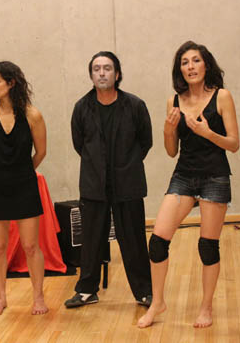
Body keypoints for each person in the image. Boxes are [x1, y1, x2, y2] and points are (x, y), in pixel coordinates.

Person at [138, 41, 239, 328]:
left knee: (207, 246)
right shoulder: (174, 100)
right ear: (179, 69)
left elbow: (234, 144)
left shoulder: (222, 96)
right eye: (185, 62)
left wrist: (208, 133)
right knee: (157, 241)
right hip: (183, 175)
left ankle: (206, 307)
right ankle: (157, 302)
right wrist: (168, 130)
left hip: (214, 176)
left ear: (206, 64)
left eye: (196, 60)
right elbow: (172, 151)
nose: (191, 66)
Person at [64, 51, 153, 310]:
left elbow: (145, 142)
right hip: (94, 184)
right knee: (91, 240)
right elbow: (79, 144)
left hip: (128, 183)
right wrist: (98, 165)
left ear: (117, 73)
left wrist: (126, 164)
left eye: (107, 68)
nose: (102, 73)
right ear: (91, 75)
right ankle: (86, 291)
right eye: (96, 69)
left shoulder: (135, 105)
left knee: (134, 240)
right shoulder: (81, 107)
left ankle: (144, 291)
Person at [0, 61, 48, 315]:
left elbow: (41, 152)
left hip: (24, 185)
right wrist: (3, 170)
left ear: (11, 83)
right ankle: (1, 297)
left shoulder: (33, 115)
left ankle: (38, 297)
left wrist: (21, 171)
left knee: (30, 246)